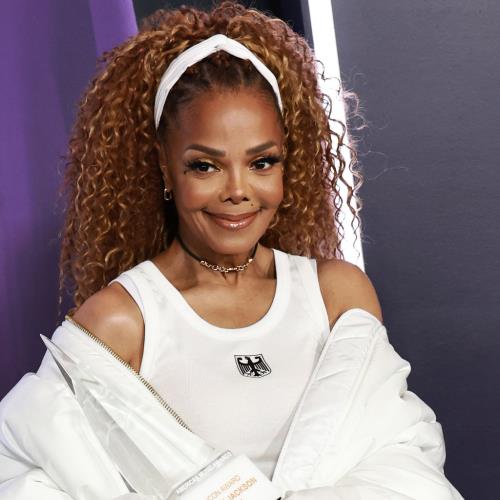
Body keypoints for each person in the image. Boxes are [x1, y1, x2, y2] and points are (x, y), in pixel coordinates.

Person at [0, 2, 464, 499]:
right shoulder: (122, 322)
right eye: (206, 166)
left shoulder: (338, 296)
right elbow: (29, 477)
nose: (238, 191)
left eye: (263, 162)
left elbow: (404, 457)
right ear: (165, 165)